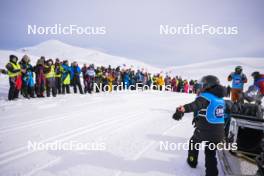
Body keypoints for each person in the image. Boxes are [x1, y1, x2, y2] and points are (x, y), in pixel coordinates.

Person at [172, 75, 227, 176]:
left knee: (194, 142)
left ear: (208, 85)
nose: (201, 87)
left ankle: (192, 161)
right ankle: (212, 174)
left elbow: (195, 105)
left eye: (202, 85)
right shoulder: (221, 100)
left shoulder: (206, 96)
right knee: (210, 152)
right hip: (219, 132)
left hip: (206, 130)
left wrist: (183, 109)